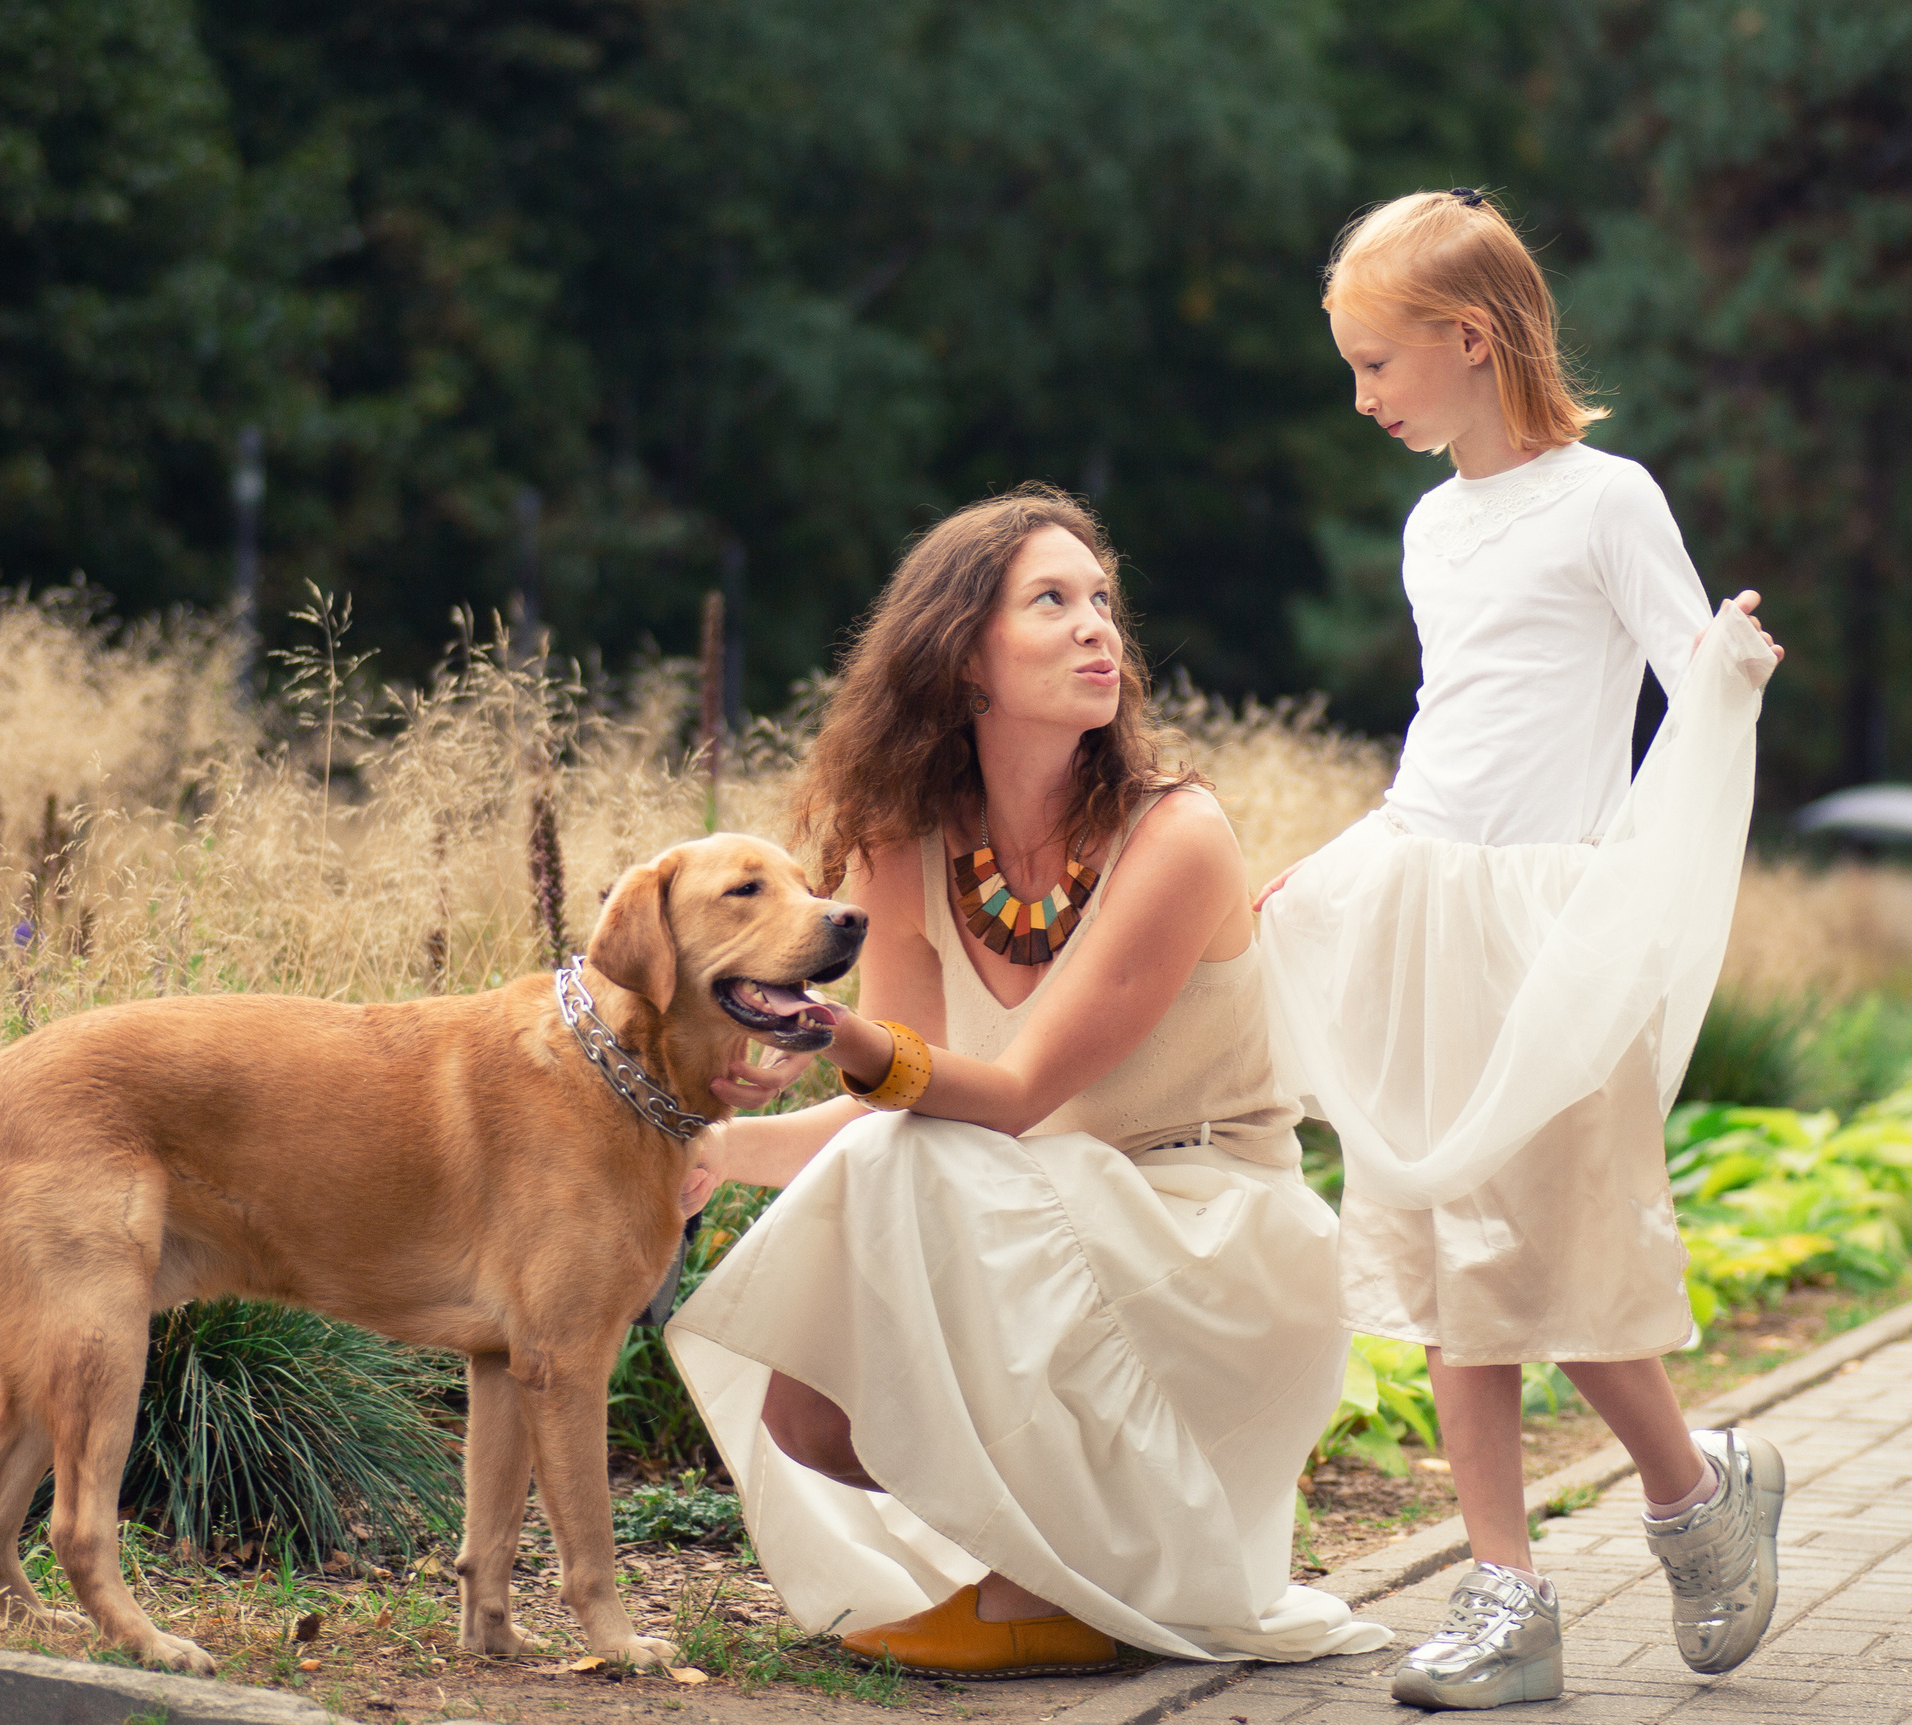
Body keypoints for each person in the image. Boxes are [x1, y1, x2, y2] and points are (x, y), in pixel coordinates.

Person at [666, 485, 1391, 1678]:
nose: (1097, 626)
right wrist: (708, 1145)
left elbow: (1000, 1099)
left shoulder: (1175, 834)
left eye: (1101, 600)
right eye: (1049, 602)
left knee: (939, 1151)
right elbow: (903, 1094)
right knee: (807, 1416)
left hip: (1209, 1241)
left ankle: (1028, 1597)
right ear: (959, 660)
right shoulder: (901, 835)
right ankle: (1068, 1570)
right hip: (1036, 1215)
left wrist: (830, 1032)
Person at [1255, 188, 1788, 1711]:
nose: (1360, 395)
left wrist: (1729, 667)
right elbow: (1452, 737)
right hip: (1430, 906)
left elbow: (1694, 690)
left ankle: (1697, 1500)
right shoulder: (1434, 523)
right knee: (1445, 1269)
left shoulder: (1608, 498)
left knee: (1568, 1264)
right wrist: (1350, 866)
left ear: (1468, 340)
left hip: (1556, 932)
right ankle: (1509, 1598)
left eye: (1375, 364)